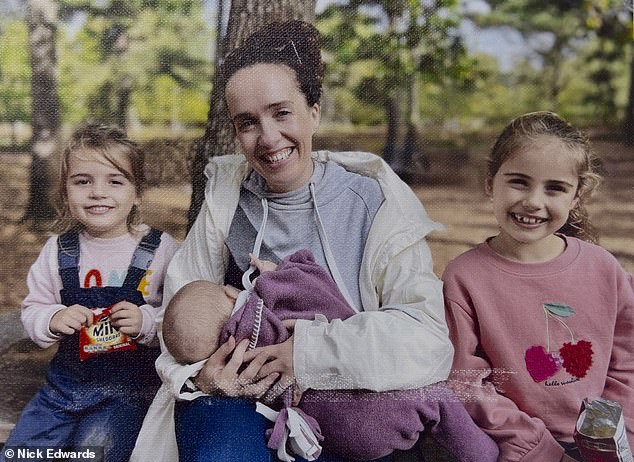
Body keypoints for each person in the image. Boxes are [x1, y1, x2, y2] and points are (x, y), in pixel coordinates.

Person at [133, 19, 454, 462]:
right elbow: (182, 309)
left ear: (314, 112)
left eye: (282, 113)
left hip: (347, 396)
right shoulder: (227, 201)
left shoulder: (373, 202)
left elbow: (427, 338)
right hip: (241, 397)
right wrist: (202, 377)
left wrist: (305, 354)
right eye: (248, 123)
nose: (268, 138)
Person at [162, 250, 498, 461]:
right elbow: (314, 287)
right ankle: (487, 454)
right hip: (377, 406)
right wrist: (278, 273)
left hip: (336, 431)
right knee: (437, 402)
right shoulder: (269, 298)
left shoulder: (245, 355)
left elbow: (429, 338)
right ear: (229, 291)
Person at [442, 111, 634, 462]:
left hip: (605, 445)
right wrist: (542, 451)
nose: (533, 201)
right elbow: (466, 382)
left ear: (577, 197)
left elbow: (627, 360)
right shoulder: (463, 277)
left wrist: (617, 437)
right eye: (518, 182)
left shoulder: (604, 268)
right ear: (490, 183)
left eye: (555, 188)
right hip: (519, 447)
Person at [1, 125, 179, 462]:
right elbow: (33, 307)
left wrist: (144, 320)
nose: (98, 192)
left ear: (138, 192)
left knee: (94, 450)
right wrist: (53, 318)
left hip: (127, 393)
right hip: (62, 390)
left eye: (115, 181)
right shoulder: (58, 251)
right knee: (20, 454)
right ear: (65, 193)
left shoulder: (159, 250)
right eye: (83, 181)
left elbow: (178, 318)